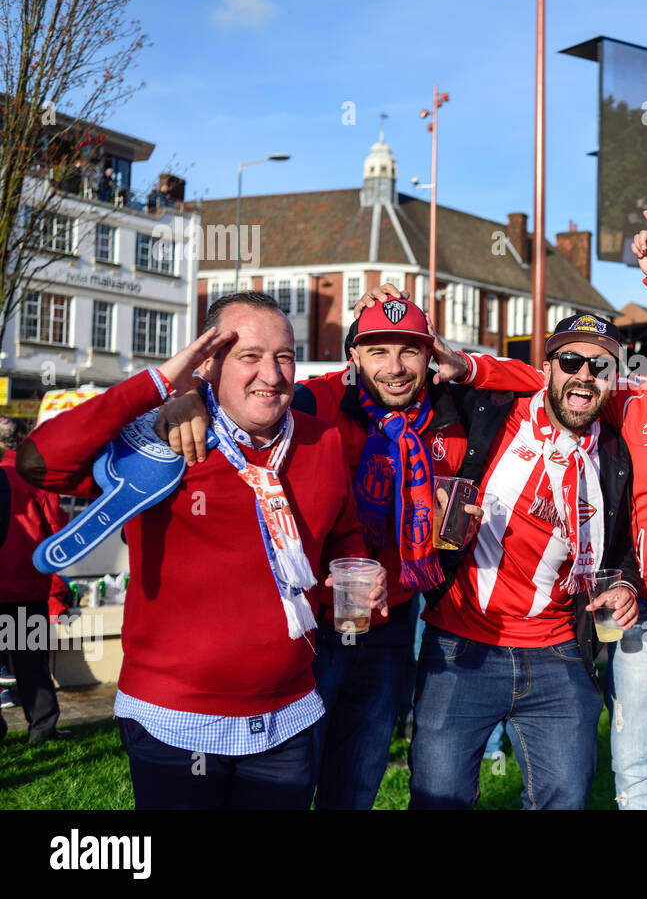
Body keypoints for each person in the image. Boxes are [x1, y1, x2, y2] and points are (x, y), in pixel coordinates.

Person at [18, 292, 381, 809]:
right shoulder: (164, 438)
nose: (272, 375)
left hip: (287, 716)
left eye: (283, 356)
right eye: (249, 356)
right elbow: (39, 463)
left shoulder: (320, 441)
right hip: (177, 720)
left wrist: (358, 570)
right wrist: (160, 385)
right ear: (208, 364)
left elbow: (342, 531)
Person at [157, 296, 472, 810]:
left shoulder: (451, 420)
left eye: (410, 353)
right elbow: (245, 396)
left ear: (431, 356)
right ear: (354, 358)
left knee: (360, 775)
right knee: (291, 778)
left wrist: (450, 528)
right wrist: (189, 395)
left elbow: (532, 388)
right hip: (314, 623)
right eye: (378, 352)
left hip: (391, 621)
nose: (394, 368)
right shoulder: (317, 401)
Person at [407, 312, 639, 810]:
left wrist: (627, 587)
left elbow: (624, 547)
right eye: (571, 361)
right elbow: (394, 383)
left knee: (565, 800)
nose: (584, 376)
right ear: (547, 367)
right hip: (462, 646)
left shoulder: (616, 451)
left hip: (559, 655)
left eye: (600, 367)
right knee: (437, 800)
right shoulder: (492, 410)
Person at [0, 415, 70, 746]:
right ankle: (42, 729)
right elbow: (58, 527)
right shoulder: (32, 473)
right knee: (31, 664)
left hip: (17, 582)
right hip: (27, 584)